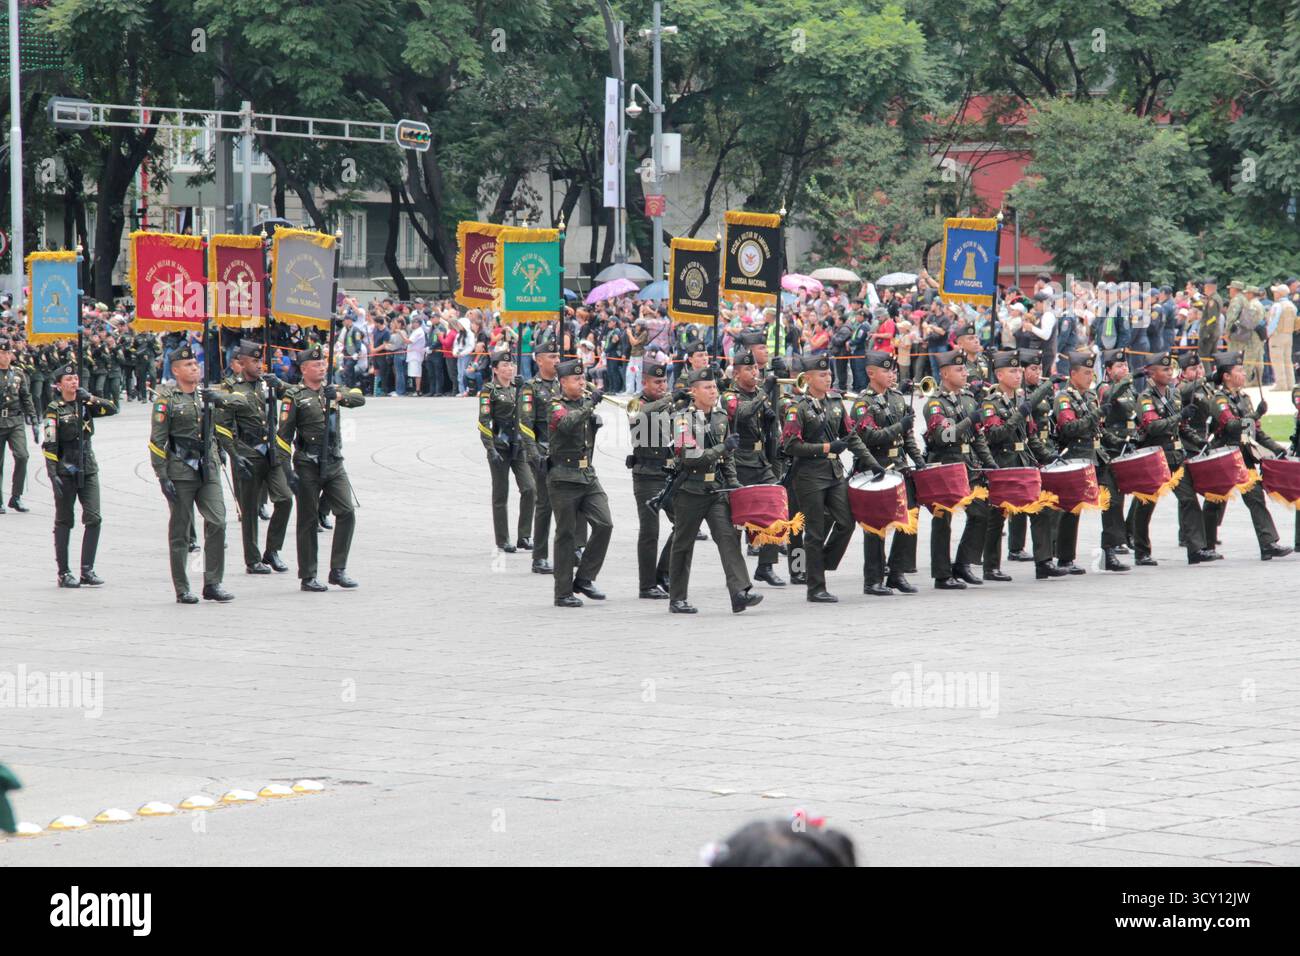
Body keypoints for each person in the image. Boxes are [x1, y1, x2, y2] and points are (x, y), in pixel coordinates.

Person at [780, 354, 883, 603]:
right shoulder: (798, 408)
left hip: (834, 474)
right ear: (808, 378)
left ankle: (819, 563)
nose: (828, 379)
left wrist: (872, 462)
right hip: (809, 476)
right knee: (814, 532)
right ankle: (816, 588)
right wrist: (826, 448)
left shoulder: (835, 402)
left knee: (846, 522)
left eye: (829, 375)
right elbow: (790, 445)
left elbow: (851, 436)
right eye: (822, 375)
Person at [666, 367, 763, 614]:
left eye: (714, 387)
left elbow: (728, 457)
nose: (712, 392)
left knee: (728, 538)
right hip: (689, 490)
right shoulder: (682, 420)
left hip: (716, 489)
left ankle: (740, 592)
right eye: (707, 388)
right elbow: (690, 457)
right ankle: (677, 598)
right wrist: (722, 448)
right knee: (683, 544)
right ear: (693, 391)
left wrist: (734, 484)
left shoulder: (720, 416)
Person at [148, 343, 234, 604]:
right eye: (188, 365)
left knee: (218, 521)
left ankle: (213, 582)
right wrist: (162, 476)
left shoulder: (205, 397)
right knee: (181, 531)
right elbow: (157, 441)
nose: (194, 368)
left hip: (208, 469)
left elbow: (218, 428)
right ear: (175, 371)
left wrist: (223, 451)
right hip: (181, 470)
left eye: (196, 364)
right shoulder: (166, 402)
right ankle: (182, 587)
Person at [277, 344, 366, 591]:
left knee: (346, 512)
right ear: (304, 369)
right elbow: (282, 437)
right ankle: (308, 575)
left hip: (334, 462)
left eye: (323, 364)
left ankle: (338, 569)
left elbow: (360, 399)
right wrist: (287, 471)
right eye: (316, 365)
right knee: (307, 519)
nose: (321, 367)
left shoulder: (332, 390)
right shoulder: (294, 396)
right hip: (308, 463)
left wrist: (337, 396)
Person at [979, 350, 1064, 581]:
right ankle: (991, 567)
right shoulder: (990, 403)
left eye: (1019, 370)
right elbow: (996, 434)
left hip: (1023, 463)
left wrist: (1047, 456)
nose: (1018, 375)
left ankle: (1044, 562)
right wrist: (1019, 414)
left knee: (1039, 509)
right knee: (997, 516)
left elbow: (1031, 435)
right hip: (1002, 464)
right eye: (1012, 371)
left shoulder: (1020, 400)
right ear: (998, 374)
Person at [1201, 351, 1293, 560]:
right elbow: (1232, 425)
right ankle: (1204, 545)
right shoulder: (1218, 399)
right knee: (1215, 500)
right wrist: (1256, 414)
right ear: (1226, 375)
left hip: (1243, 456)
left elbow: (1256, 431)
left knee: (1255, 498)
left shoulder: (1244, 398)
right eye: (1239, 371)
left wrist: (1276, 448)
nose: (1243, 374)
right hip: (1224, 455)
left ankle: (1268, 543)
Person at [1128, 351, 1215, 565]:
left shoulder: (1174, 395)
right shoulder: (1145, 398)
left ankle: (1195, 549)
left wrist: (1199, 441)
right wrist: (1179, 416)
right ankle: (1141, 551)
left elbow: (1181, 428)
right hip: (1155, 457)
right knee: (1146, 503)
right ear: (1151, 372)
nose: (1169, 373)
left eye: (1170, 369)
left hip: (1175, 456)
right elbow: (1152, 426)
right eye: (1164, 369)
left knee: (1188, 500)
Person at [215, 340, 293, 575]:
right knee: (249, 511)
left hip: (271, 452)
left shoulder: (267, 384)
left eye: (261, 360)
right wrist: (234, 454)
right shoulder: (231, 389)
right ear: (241, 363)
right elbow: (222, 427)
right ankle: (252, 559)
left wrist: (278, 383)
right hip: (247, 453)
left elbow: (296, 393)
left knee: (285, 499)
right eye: (255, 361)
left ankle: (273, 550)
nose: (260, 365)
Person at [848, 350, 923, 595]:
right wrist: (898, 427)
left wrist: (919, 462)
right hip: (875, 467)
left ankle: (897, 571)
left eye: (893, 370)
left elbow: (907, 436)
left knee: (909, 518)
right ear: (871, 373)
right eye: (886, 370)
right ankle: (873, 579)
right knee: (875, 525)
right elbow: (869, 436)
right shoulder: (863, 404)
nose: (892, 375)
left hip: (900, 466)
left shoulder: (898, 398)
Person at [923, 350, 995, 589]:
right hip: (945, 464)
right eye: (959, 370)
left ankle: (963, 563)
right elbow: (944, 436)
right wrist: (969, 420)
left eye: (965, 369)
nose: (965, 373)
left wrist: (989, 463)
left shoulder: (968, 399)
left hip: (969, 465)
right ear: (944, 374)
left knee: (980, 513)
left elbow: (978, 438)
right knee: (942, 519)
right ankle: (942, 574)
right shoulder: (935, 404)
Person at [546, 359, 613, 608]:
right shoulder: (555, 405)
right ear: (563, 382)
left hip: (587, 475)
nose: (582, 382)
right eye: (576, 379)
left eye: (583, 378)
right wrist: (589, 404)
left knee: (605, 523)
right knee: (566, 535)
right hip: (563, 477)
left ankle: (584, 577)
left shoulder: (581, 405)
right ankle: (562, 591)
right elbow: (566, 424)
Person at [43, 363, 117, 587]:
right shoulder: (54, 409)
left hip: (88, 465)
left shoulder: (85, 403)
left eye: (76, 378)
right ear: (59, 385)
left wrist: (91, 398)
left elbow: (113, 408)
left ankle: (87, 569)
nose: (73, 382)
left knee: (94, 517)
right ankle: (63, 571)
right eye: (68, 380)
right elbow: (49, 443)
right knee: (65, 520)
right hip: (66, 467)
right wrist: (52, 472)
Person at [518, 330, 585, 574]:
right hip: (545, 452)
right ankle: (539, 557)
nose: (557, 360)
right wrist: (533, 453)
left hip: (567, 451)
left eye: (558, 356)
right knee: (545, 505)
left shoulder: (563, 384)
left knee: (575, 500)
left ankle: (576, 548)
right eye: (552, 356)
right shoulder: (530, 388)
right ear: (538, 360)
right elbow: (525, 423)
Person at [1052, 350, 1123, 573]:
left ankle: (1109, 552)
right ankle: (1065, 557)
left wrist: (1118, 441)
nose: (1090, 377)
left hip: (1097, 457)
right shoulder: (1063, 398)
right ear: (1073, 374)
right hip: (1076, 457)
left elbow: (1097, 429)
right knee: (1072, 508)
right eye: (1085, 372)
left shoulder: (1091, 397)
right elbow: (1069, 428)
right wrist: (1095, 415)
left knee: (1112, 500)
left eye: (1092, 372)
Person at [721, 349, 785, 587]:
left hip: (760, 460)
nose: (754, 372)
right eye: (748, 369)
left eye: (755, 368)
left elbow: (769, 423)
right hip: (738, 462)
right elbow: (742, 413)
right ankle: (737, 575)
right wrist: (764, 396)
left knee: (773, 509)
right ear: (736, 374)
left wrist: (770, 416)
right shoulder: (729, 395)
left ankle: (766, 566)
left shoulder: (760, 392)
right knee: (736, 521)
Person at [478, 351, 535, 553]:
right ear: (495, 369)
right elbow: (484, 422)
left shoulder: (518, 388)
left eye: (511, 366)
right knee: (501, 494)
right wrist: (490, 448)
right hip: (500, 447)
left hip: (518, 447)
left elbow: (528, 414)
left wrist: (524, 389)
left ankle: (524, 535)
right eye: (504, 366)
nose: (509, 369)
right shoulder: (489, 391)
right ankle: (502, 539)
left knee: (530, 488)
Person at [628, 361, 674, 599]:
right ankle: (646, 585)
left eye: (664, 381)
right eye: (657, 382)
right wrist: (668, 401)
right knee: (650, 531)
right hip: (646, 475)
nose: (662, 385)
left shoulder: (668, 404)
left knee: (685, 524)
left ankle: (663, 572)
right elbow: (640, 417)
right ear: (644, 382)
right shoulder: (636, 403)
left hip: (668, 473)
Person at [1096, 349, 1136, 568]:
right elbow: (1109, 399)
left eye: (1126, 366)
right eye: (1119, 367)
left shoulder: (1130, 389)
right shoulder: (1104, 389)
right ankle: (1110, 549)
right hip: (1110, 449)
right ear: (1108, 371)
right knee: (1111, 501)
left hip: (1127, 447)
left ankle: (1126, 535)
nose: (1125, 369)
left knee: (1137, 493)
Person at [0, 336, 35, 514]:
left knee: (22, 456)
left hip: (15, 420)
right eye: (2, 353)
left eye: (8, 352)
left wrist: (34, 420)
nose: (6, 356)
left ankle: (16, 496)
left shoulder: (18, 373)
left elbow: (26, 397)